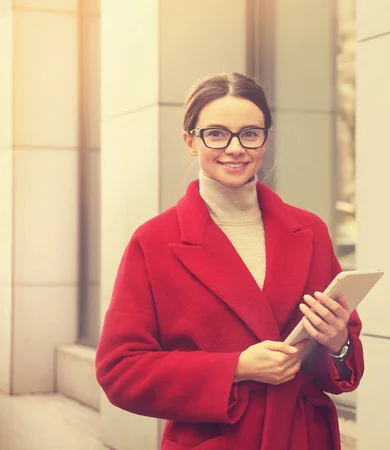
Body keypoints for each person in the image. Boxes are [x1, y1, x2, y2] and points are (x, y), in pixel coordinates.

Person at [95, 72, 364, 450]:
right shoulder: (154, 241)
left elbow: (342, 363)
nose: (235, 148)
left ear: (265, 140)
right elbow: (120, 371)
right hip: (214, 440)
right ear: (190, 141)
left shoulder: (310, 230)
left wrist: (338, 342)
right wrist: (235, 368)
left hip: (302, 437)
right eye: (217, 133)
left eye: (250, 134)